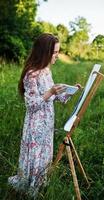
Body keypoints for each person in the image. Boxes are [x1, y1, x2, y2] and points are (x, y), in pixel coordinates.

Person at [8, 33, 81, 197]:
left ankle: (39, 183)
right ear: (44, 52)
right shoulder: (31, 74)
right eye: (54, 52)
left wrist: (71, 92)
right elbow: (31, 105)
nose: (57, 56)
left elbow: (56, 98)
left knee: (44, 156)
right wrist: (50, 92)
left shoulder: (46, 71)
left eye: (57, 52)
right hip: (36, 124)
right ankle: (30, 190)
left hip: (47, 122)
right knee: (35, 156)